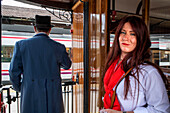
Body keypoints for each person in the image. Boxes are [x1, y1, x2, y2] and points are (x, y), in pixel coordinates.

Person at [100, 16, 169, 113]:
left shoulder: (148, 72)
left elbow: (161, 110)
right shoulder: (112, 65)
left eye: (132, 34)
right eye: (123, 32)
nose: (126, 38)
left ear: (141, 39)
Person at [9, 15, 72, 113]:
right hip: (52, 98)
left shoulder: (21, 45)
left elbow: (13, 72)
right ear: (50, 29)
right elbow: (67, 65)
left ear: (35, 28)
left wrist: (21, 88)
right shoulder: (58, 47)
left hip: (30, 96)